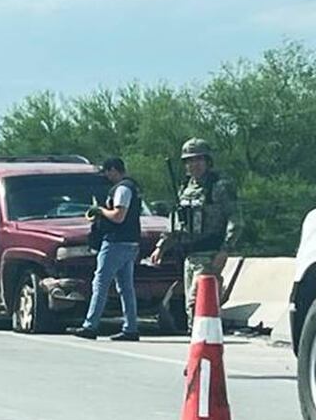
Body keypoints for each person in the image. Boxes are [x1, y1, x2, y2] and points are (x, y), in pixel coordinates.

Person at [150, 138, 240, 329]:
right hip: (189, 256)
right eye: (190, 161)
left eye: (199, 160)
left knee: (197, 301)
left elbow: (236, 220)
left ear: (208, 161)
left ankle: (205, 343)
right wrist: (161, 246)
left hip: (209, 253)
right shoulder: (186, 189)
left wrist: (225, 250)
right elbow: (176, 224)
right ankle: (199, 343)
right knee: (191, 307)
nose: (194, 165)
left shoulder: (219, 187)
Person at [71, 157, 142, 341]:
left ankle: (90, 325)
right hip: (130, 243)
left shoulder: (122, 189)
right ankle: (131, 328)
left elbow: (118, 216)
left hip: (116, 243)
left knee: (100, 284)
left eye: (107, 172)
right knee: (126, 288)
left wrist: (100, 211)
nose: (106, 176)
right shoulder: (132, 187)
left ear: (113, 170)